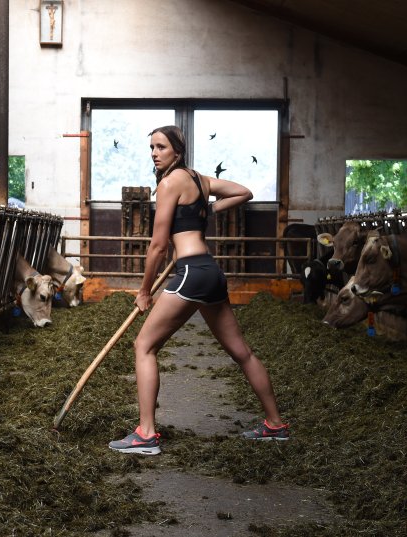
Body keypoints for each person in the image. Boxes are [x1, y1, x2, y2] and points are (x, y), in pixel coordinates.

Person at [108, 125, 289, 456]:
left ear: (177, 151)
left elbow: (159, 245)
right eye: (151, 147)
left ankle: (146, 434)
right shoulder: (201, 181)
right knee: (242, 352)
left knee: (144, 346)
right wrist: (206, 210)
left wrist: (145, 290)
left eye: (161, 147)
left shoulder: (168, 183)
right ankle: (275, 424)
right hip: (210, 271)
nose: (154, 152)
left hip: (190, 271)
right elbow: (244, 191)